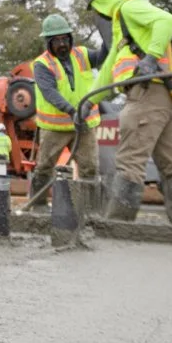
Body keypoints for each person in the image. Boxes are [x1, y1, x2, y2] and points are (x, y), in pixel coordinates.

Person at [80, 0, 172, 225]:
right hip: (164, 97)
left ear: (99, 1)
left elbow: (166, 20)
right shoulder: (122, 26)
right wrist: (89, 101)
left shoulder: (129, 8)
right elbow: (107, 71)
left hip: (147, 94)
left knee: (129, 161)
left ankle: (117, 224)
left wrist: (150, 57)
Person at [28, 13, 104, 214]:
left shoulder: (82, 54)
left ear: (70, 38)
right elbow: (49, 92)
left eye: (65, 39)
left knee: (89, 168)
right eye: (56, 41)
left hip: (84, 126)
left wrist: (110, 34)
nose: (62, 44)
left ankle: (90, 210)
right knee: (44, 167)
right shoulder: (42, 65)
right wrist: (72, 111)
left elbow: (105, 54)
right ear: (48, 42)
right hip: (55, 128)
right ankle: (38, 205)